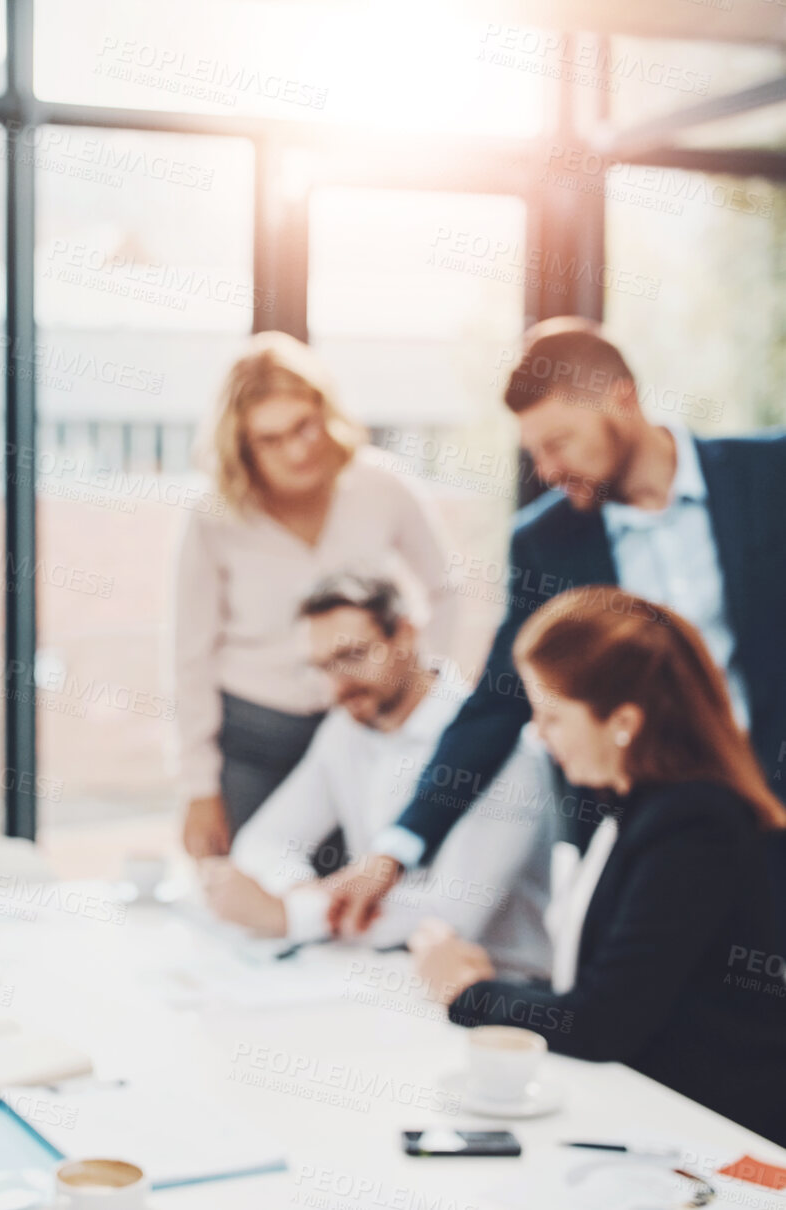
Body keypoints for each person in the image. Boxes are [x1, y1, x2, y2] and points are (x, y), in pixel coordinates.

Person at [325, 318, 786, 943]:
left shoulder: (768, 476)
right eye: (535, 451)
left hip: (768, 807)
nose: (546, 468)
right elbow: (497, 700)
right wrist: (396, 850)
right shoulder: (548, 543)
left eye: (559, 442)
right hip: (639, 837)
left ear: (620, 397)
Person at [409, 586, 786, 1146]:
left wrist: (468, 990)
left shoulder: (694, 827)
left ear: (624, 722)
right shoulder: (644, 804)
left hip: (713, 1133)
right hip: (658, 1108)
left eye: (553, 715)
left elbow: (604, 1021)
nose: (539, 734)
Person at [172, 331, 460, 860]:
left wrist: (420, 686)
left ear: (324, 411)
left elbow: (445, 590)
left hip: (365, 728)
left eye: (303, 426)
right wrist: (198, 786)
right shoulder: (214, 517)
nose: (297, 450)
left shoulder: (380, 484)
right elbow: (190, 655)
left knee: (368, 893)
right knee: (257, 884)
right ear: (242, 446)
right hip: (257, 738)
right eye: (270, 439)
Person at [202, 573, 551, 977]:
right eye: (323, 667)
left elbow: (452, 915)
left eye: (352, 656)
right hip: (380, 970)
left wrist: (289, 914)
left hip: (496, 987)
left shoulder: (495, 748)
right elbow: (265, 841)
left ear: (404, 635)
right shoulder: (347, 729)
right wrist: (296, 891)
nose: (338, 687)